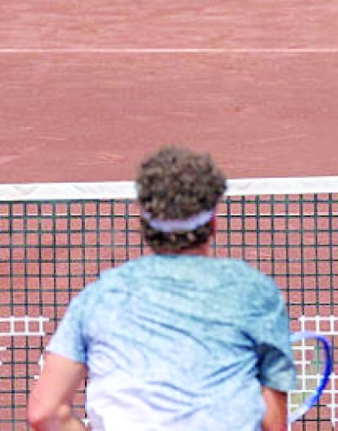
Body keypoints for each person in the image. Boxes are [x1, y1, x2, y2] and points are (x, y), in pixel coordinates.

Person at [27, 146, 296, 431]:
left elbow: (45, 413)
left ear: (144, 223)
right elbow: (272, 423)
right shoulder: (255, 293)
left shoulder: (99, 297)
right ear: (213, 222)